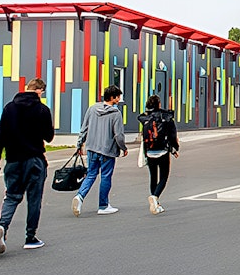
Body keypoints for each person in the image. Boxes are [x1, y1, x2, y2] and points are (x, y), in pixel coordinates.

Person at [0, 78, 55, 253]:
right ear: (39, 91)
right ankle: (30, 237)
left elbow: (0, 136)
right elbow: (49, 136)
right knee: (34, 199)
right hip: (34, 160)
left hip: (13, 160)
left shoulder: (9, 108)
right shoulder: (42, 110)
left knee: (11, 196)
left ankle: (3, 226)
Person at [73, 85, 128, 216]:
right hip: (107, 150)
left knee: (91, 174)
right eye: (118, 97)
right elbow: (118, 135)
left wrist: (79, 144)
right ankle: (103, 205)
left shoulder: (92, 109)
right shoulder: (116, 114)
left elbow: (84, 128)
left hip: (92, 148)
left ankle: (79, 197)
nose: (119, 99)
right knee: (105, 176)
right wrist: (123, 148)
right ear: (113, 97)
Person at [137, 95, 180, 214]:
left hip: (149, 151)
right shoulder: (166, 117)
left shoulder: (145, 118)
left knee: (153, 177)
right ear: (159, 104)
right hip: (163, 151)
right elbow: (172, 135)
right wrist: (175, 149)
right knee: (164, 177)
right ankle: (155, 197)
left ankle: (156, 203)